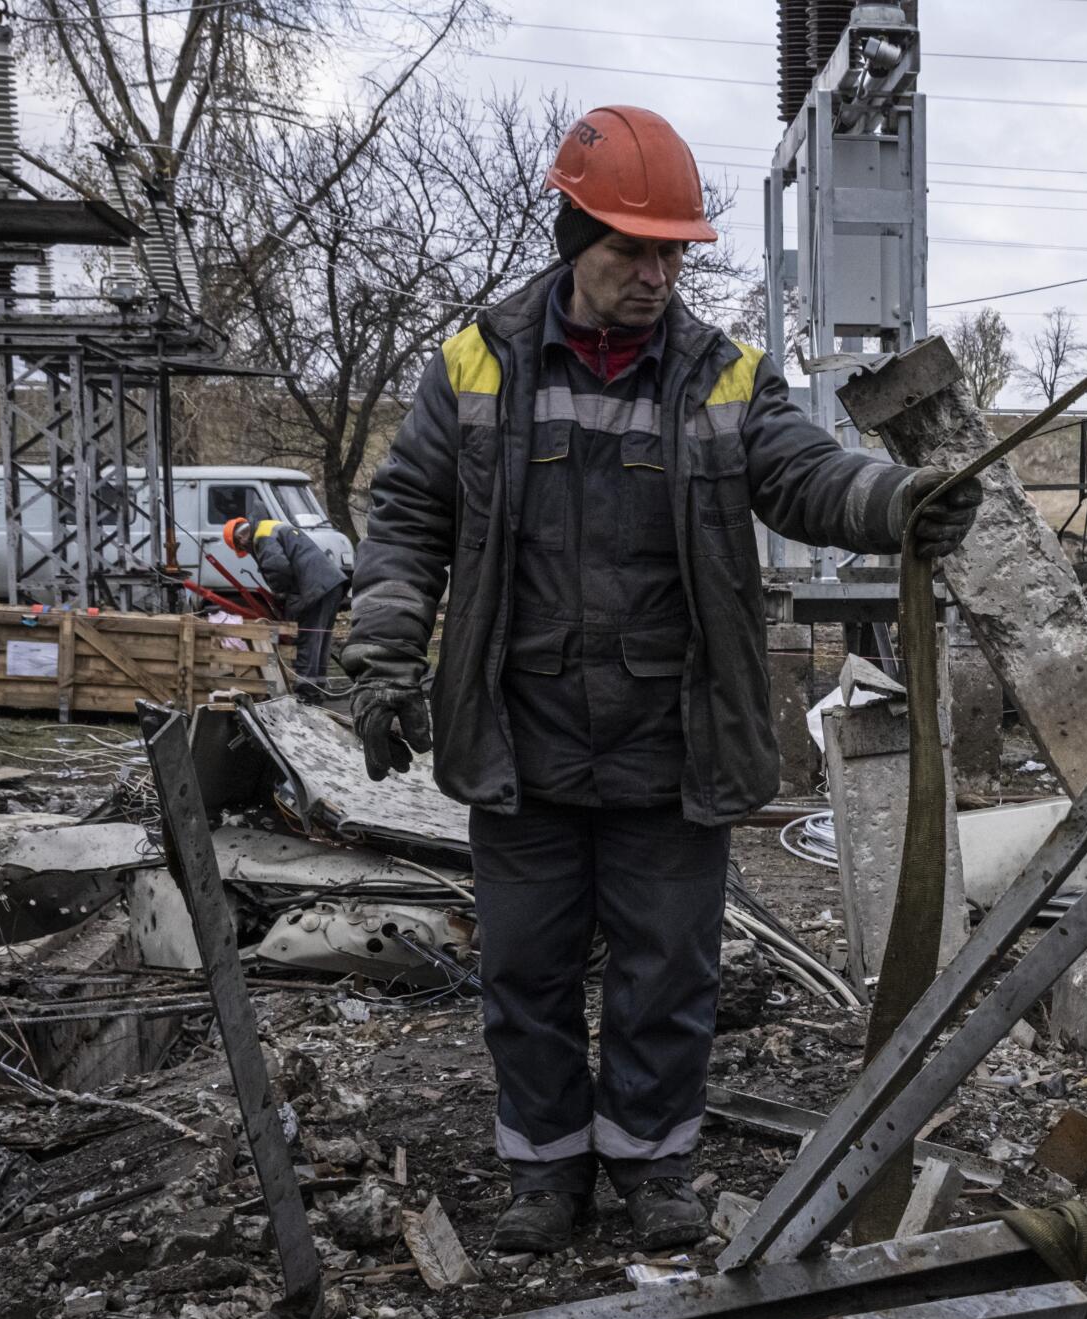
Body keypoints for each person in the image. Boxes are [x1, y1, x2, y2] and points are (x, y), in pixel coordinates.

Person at [343, 105, 982, 1255]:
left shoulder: (725, 376)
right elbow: (406, 520)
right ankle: (544, 1174)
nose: (652, 274)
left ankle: (650, 1165)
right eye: (628, 251)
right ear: (568, 238)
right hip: (521, 734)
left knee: (664, 973)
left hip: (669, 736)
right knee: (526, 971)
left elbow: (801, 477)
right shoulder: (473, 364)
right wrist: (384, 655)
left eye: (669, 252)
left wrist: (896, 504)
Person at [223, 516, 349, 691]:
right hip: (330, 583)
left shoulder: (262, 536)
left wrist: (282, 594)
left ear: (241, 538)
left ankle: (307, 692)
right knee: (320, 638)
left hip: (315, 586)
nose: (247, 550)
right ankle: (318, 685)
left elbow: (278, 568)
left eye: (243, 547)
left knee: (308, 639)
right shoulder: (269, 525)